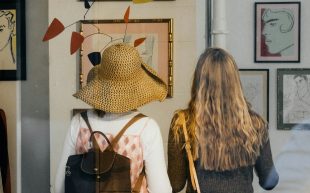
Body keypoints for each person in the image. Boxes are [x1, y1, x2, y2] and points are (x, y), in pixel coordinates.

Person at [55, 43, 172, 193]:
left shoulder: (78, 123)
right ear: (138, 88)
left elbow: (60, 186)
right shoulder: (147, 127)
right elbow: (161, 189)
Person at [167, 48, 279, 193]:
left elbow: (176, 184)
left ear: (199, 80)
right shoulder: (254, 124)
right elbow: (269, 182)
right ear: (235, 82)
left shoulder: (183, 123)